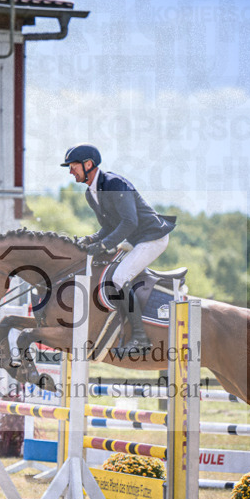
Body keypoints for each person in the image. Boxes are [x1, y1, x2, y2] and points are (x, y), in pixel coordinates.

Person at [61, 143, 176, 355]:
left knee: (119, 277)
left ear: (88, 164)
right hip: (136, 239)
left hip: (152, 237)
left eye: (73, 166)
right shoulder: (91, 193)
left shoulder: (114, 183)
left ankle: (140, 337)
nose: (70, 171)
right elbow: (109, 226)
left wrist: (104, 245)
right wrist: (90, 239)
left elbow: (130, 222)